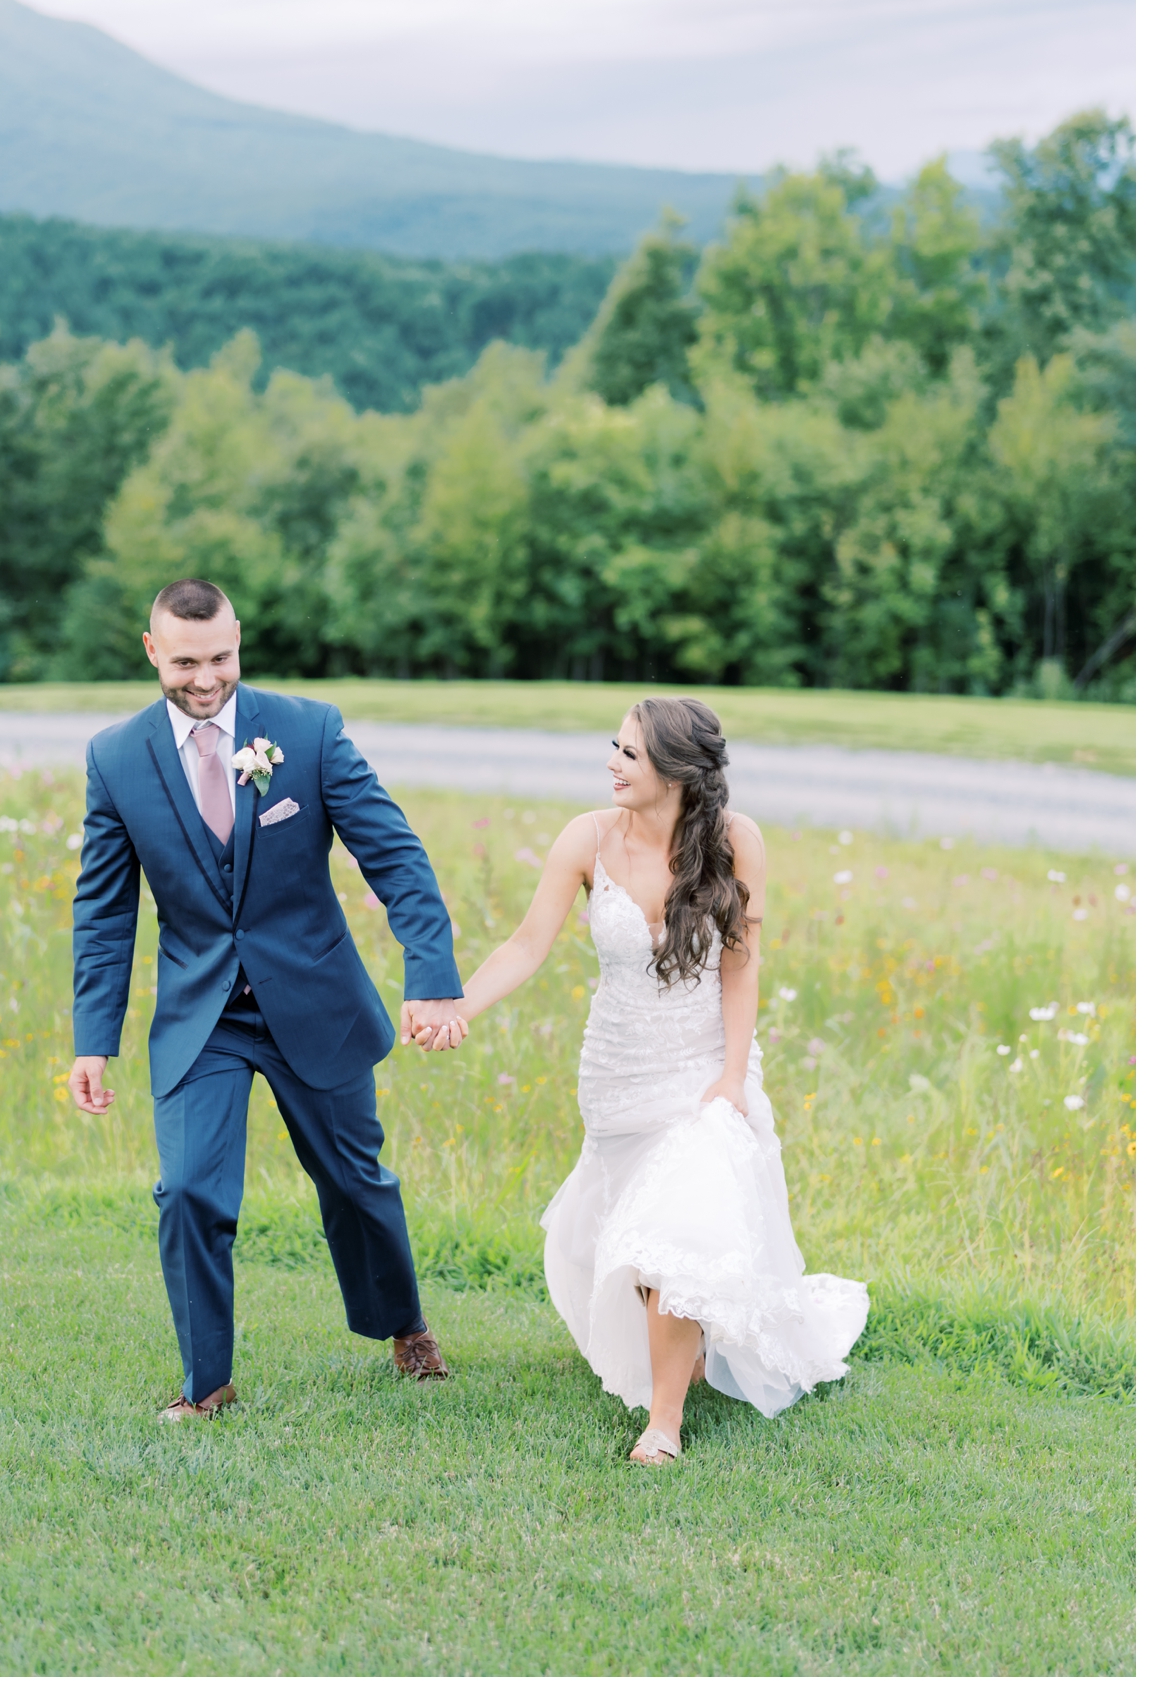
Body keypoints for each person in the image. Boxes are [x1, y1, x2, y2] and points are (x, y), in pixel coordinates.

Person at [425, 696, 867, 1464]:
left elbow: (741, 965)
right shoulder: (586, 838)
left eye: (629, 754)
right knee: (639, 1251)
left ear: (677, 771)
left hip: (704, 1072)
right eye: (615, 748)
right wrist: (459, 1005)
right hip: (619, 1076)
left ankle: (663, 1426)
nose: (611, 765)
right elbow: (528, 945)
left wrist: (732, 1076)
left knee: (675, 1236)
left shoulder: (736, 842)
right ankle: (683, 1351)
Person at [68, 578, 466, 1419]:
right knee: (187, 1192)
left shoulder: (307, 732)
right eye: (184, 662)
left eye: (220, 657)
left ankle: (403, 1323)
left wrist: (430, 976)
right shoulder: (114, 757)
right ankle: (206, 1383)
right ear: (151, 651)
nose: (205, 679)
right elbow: (104, 912)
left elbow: (395, 856)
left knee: (355, 1181)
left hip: (313, 999)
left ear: (238, 639)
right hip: (202, 1014)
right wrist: (92, 1038)